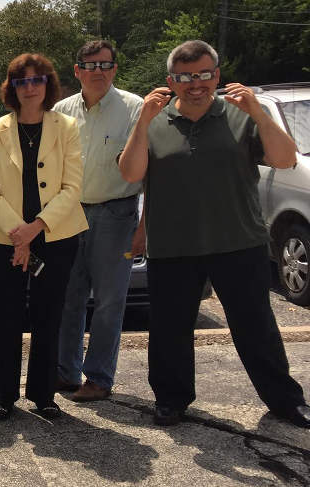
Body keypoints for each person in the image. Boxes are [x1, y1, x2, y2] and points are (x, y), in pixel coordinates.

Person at [118, 40, 310, 428]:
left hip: (238, 242)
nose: (196, 84)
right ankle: (171, 400)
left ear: (217, 76)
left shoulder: (241, 116)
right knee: (170, 330)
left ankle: (285, 401)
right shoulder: (153, 121)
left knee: (256, 328)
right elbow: (130, 173)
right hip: (173, 246)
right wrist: (141, 121)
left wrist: (257, 110)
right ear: (171, 81)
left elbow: (286, 158)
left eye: (205, 74)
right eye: (186, 77)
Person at [0, 53, 87, 421]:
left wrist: (34, 229)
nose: (29, 87)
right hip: (5, 237)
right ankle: (4, 397)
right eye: (21, 81)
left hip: (56, 236)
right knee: (6, 317)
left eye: (36, 80)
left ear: (48, 84)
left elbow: (72, 187)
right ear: (12, 88)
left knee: (48, 316)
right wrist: (19, 235)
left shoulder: (67, 127)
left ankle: (44, 395)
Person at [53, 40, 145, 402]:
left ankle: (99, 378)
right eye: (90, 66)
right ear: (77, 70)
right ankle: (65, 372)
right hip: (69, 214)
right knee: (68, 298)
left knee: (109, 302)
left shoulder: (135, 109)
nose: (98, 72)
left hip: (116, 213)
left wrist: (144, 228)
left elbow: (149, 171)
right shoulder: (61, 111)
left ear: (115, 69)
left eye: (105, 65)